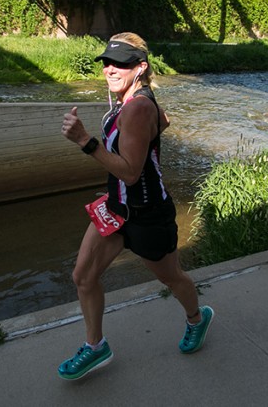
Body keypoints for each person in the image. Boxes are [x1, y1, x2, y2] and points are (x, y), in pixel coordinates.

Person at [57, 32, 213, 381]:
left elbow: (129, 173)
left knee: (171, 278)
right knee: (83, 276)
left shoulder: (140, 106)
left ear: (140, 67)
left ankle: (197, 319)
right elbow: (164, 120)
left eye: (121, 63)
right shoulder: (133, 101)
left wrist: (85, 141)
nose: (110, 69)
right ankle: (96, 347)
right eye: (107, 63)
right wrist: (154, 127)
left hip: (147, 213)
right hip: (116, 208)